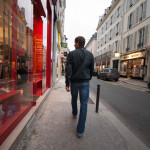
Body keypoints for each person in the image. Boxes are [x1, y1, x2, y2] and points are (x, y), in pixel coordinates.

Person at [65, 36, 94, 138]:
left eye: (74, 42)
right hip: (85, 82)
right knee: (84, 104)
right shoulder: (90, 54)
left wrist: (67, 83)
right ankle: (80, 131)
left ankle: (74, 112)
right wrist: (87, 78)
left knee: (74, 98)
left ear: (77, 43)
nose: (74, 44)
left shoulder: (71, 54)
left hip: (74, 82)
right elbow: (92, 69)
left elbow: (69, 70)